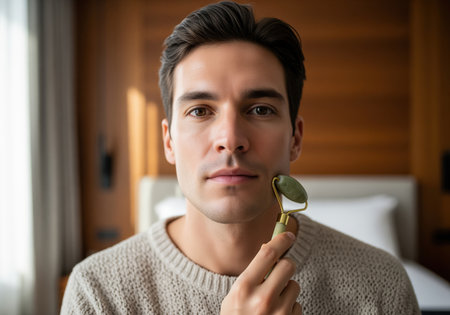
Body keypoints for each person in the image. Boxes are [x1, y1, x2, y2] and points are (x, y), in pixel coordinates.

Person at [61, 2, 420, 314]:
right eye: (201, 111)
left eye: (261, 109)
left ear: (295, 138)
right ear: (169, 142)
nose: (230, 139)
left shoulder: (381, 287)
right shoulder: (98, 292)